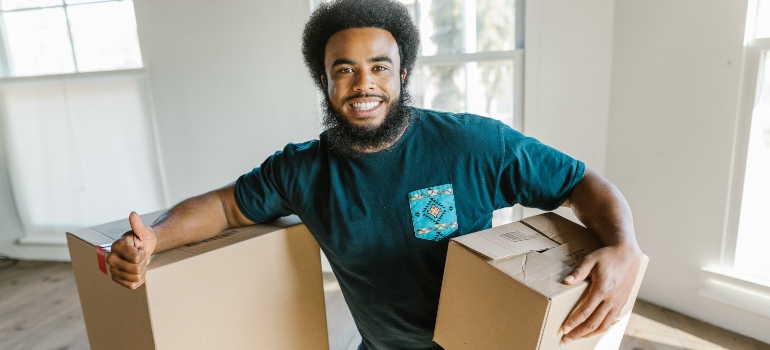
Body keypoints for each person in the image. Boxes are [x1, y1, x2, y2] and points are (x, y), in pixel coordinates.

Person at [106, 0, 643, 348]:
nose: (363, 84)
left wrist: (623, 245)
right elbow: (225, 207)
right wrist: (155, 238)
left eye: (379, 67)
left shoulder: (474, 144)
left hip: (484, 339)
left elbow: (580, 184)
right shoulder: (301, 170)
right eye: (344, 69)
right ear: (325, 80)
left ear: (403, 72)